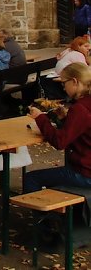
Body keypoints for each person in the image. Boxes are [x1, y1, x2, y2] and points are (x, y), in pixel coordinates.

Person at [24, 63, 91, 193]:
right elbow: (82, 130)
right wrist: (64, 119)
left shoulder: (80, 108)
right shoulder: (84, 105)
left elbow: (60, 142)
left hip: (86, 172)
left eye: (64, 83)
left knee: (31, 178)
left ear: (75, 81)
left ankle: (44, 214)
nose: (64, 88)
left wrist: (40, 118)